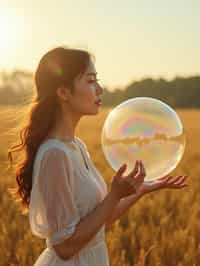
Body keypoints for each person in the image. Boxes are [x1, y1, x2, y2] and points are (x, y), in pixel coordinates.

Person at [8, 46, 189, 266]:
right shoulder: (55, 154)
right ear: (63, 91)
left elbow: (100, 222)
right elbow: (64, 247)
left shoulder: (77, 147)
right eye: (91, 80)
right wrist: (113, 195)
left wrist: (138, 191)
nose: (100, 89)